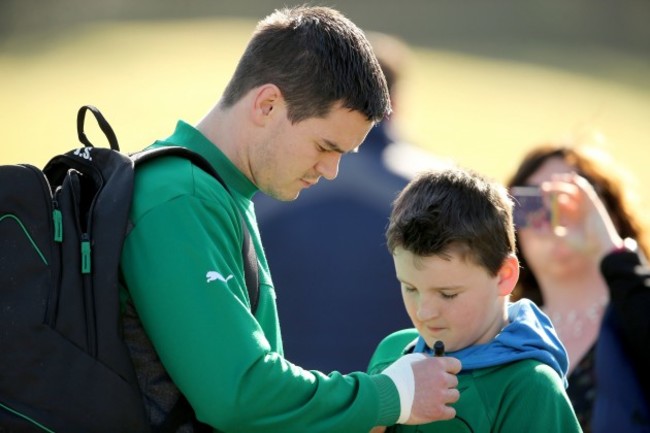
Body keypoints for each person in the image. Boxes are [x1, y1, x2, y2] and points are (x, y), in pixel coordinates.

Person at [119, 6, 461, 433]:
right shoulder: (179, 197)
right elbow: (239, 395)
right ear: (266, 105)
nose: (331, 170)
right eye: (324, 146)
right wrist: (391, 396)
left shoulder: (223, 190)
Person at [253, 31, 447, 373]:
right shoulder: (441, 192)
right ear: (396, 105)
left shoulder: (262, 189)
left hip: (286, 397)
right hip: (398, 401)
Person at [367, 167, 582, 432]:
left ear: (504, 276)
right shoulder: (392, 352)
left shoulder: (530, 387)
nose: (424, 312)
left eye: (448, 294)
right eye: (410, 287)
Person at [506, 141, 650, 432]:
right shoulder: (504, 331)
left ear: (610, 215)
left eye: (572, 200)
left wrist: (609, 249)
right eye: (533, 203)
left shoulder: (639, 313)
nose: (556, 219)